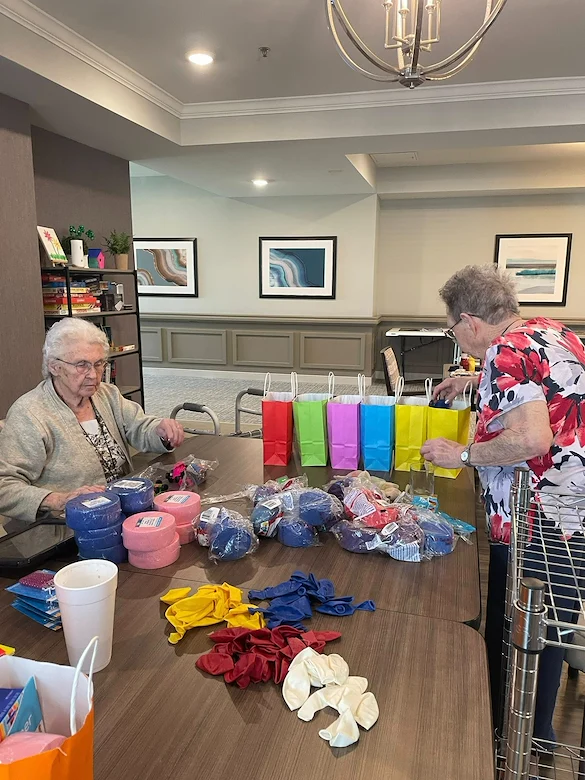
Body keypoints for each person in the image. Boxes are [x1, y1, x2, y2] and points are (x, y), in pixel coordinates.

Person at [421, 264, 585, 744]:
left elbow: (533, 437)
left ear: (469, 321)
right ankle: (526, 727)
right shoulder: (550, 331)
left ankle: (522, 737)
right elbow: (549, 390)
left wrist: (462, 454)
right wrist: (470, 384)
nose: (458, 339)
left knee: (533, 630)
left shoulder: (503, 351)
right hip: (572, 510)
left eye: (453, 329)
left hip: (538, 513)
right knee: (553, 619)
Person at [0, 318, 184, 521]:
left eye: (99, 364)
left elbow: (138, 426)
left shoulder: (106, 394)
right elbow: (4, 486)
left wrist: (160, 430)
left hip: (120, 513)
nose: (94, 375)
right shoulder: (30, 413)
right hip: (65, 528)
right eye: (81, 365)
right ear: (54, 367)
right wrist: (60, 499)